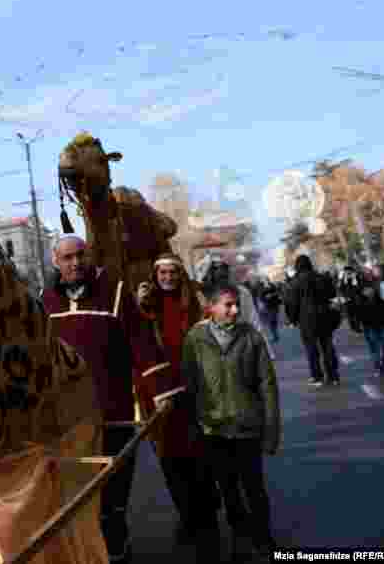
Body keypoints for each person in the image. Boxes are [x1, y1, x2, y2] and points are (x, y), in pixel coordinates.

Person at [42, 236, 182, 564]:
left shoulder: (114, 292)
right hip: (67, 421)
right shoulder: (44, 301)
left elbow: (141, 343)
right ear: (55, 262)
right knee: (76, 500)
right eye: (67, 258)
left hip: (113, 416)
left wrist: (162, 390)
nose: (75, 263)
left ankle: (117, 554)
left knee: (112, 500)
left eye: (80, 256)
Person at [182, 283, 280, 559]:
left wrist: (271, 431)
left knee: (254, 488)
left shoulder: (252, 337)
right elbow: (190, 385)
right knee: (228, 490)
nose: (235, 310)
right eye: (228, 305)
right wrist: (194, 428)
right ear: (210, 308)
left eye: (236, 304)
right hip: (213, 430)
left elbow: (267, 386)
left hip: (247, 428)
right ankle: (240, 535)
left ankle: (263, 537)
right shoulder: (195, 338)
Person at [136, 253, 220, 551]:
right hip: (163, 392)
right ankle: (187, 515)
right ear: (156, 275)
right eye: (163, 273)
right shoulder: (146, 306)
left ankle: (207, 510)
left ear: (180, 274)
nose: (168, 277)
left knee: (200, 451)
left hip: (197, 387)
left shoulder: (194, 302)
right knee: (170, 457)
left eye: (173, 272)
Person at [284, 255, 340, 386]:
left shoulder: (295, 282)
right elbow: (332, 294)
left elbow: (291, 303)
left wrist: (292, 319)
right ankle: (333, 375)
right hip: (325, 315)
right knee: (327, 345)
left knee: (311, 348)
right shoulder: (321, 277)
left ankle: (317, 376)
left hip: (306, 319)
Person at [360, 265, 384, 377]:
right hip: (369, 320)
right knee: (374, 346)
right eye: (374, 270)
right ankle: (378, 366)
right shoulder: (364, 284)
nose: (375, 272)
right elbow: (357, 300)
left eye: (377, 270)